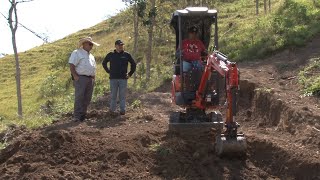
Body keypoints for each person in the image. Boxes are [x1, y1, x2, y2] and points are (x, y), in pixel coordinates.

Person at [69, 37, 100, 122]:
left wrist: (94, 78)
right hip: (81, 77)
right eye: (90, 44)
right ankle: (77, 116)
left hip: (90, 79)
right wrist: (75, 76)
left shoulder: (92, 56)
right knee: (79, 97)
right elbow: (72, 65)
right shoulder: (77, 53)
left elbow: (93, 68)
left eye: (92, 44)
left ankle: (83, 115)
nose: (91, 46)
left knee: (87, 98)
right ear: (84, 44)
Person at [102, 39, 136, 115]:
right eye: (119, 45)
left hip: (123, 79)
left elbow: (133, 64)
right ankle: (112, 111)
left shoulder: (127, 55)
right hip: (113, 79)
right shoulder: (110, 54)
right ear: (115, 46)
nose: (121, 46)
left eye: (122, 45)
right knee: (113, 95)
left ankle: (122, 111)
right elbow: (104, 63)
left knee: (122, 95)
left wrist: (130, 74)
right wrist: (108, 71)